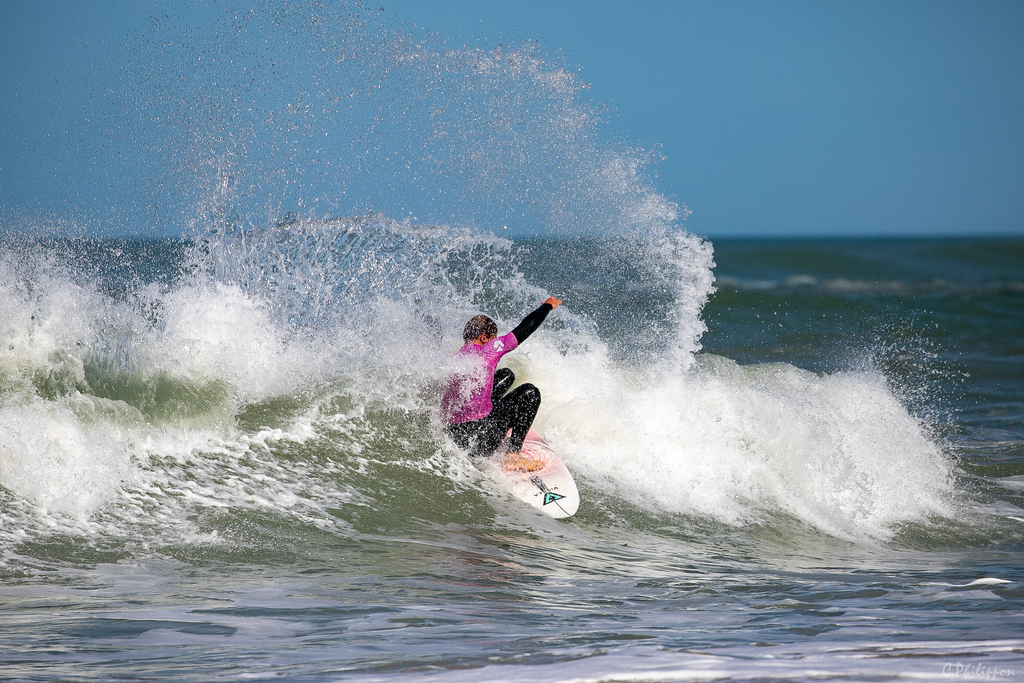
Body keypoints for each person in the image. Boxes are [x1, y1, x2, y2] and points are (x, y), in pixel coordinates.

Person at [442, 296, 562, 472]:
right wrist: (547, 306)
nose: (494, 342)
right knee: (530, 392)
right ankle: (512, 458)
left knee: (506, 375)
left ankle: (497, 419)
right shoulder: (487, 350)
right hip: (478, 442)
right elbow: (526, 327)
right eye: (493, 339)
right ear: (484, 338)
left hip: (455, 435)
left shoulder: (456, 359)